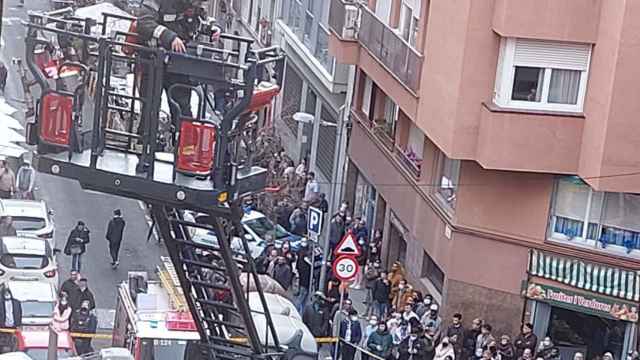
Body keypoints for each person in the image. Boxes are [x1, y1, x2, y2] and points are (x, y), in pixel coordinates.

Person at [0, 287, 21, 352]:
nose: (7, 295)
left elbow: (19, 313)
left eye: (8, 293)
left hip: (13, 327)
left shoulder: (16, 302)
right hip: (2, 328)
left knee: (13, 342)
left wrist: (18, 324)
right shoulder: (0, 303)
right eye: (5, 293)